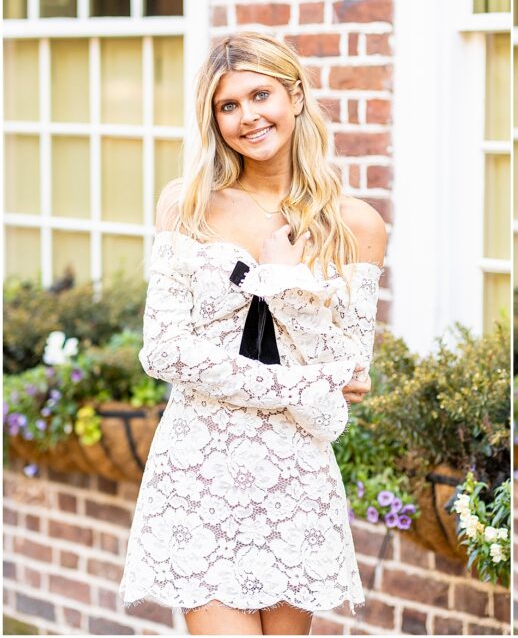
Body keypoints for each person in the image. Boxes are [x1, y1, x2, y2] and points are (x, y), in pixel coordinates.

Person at [119, 31, 387, 635]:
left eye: (259, 94)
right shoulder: (187, 206)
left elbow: (346, 377)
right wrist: (299, 383)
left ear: (294, 95)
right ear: (213, 119)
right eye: (228, 105)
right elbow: (163, 349)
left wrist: (287, 282)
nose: (247, 118)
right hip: (200, 463)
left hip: (296, 469)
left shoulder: (356, 225)